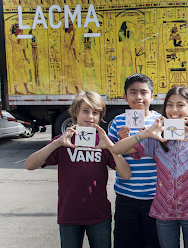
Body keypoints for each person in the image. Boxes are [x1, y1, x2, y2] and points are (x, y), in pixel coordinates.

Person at [110, 86, 188, 248]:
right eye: (169, 104)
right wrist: (146, 133)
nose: (174, 109)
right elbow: (117, 149)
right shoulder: (157, 138)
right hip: (163, 212)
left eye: (180, 105)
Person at [24, 91, 132, 248]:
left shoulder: (103, 142)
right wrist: (56, 144)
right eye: (85, 111)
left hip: (99, 215)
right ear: (76, 112)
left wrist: (110, 146)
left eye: (95, 112)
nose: (90, 116)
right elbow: (29, 165)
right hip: (69, 215)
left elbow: (126, 174)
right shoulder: (63, 141)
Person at [108, 73, 161, 248]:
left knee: (154, 242)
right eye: (133, 92)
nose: (138, 97)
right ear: (125, 97)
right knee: (126, 242)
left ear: (152, 96)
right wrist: (119, 141)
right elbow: (112, 154)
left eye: (143, 92)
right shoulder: (118, 121)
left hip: (155, 197)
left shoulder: (160, 122)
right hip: (126, 196)